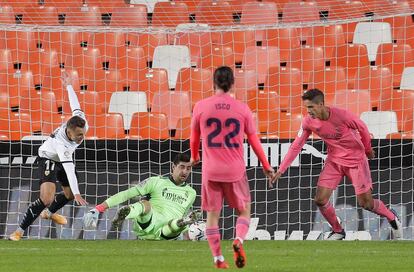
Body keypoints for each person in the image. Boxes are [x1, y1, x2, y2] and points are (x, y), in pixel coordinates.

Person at [274, 88, 402, 240]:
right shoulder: (308, 122)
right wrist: (281, 170)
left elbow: (362, 127)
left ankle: (391, 217)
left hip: (356, 161)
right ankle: (338, 230)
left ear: (321, 104)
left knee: (366, 203)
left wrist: (367, 149)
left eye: (311, 107)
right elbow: (296, 145)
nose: (308, 111)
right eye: (306, 108)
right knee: (320, 200)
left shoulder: (342, 115)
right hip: (334, 161)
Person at [190, 66, 276, 269]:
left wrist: (195, 157)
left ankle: (218, 258)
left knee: (212, 216)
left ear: (213, 83)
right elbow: (254, 140)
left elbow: (194, 137)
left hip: (211, 171)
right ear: (232, 84)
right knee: (244, 211)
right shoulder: (242, 108)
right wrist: (266, 165)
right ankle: (239, 240)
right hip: (235, 170)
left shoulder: (201, 106)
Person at [9, 72, 89, 241]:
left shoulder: (80, 121)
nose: (82, 137)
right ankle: (19, 232)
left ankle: (49, 213)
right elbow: (68, 167)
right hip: (49, 157)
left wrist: (68, 85)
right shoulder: (62, 144)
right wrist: (78, 194)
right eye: (78, 135)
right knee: (46, 198)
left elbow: (75, 104)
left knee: (66, 195)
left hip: (63, 159)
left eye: (82, 133)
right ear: (69, 131)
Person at [83, 153, 200, 241]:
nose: (185, 171)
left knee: (178, 222)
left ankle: (177, 225)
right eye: (181, 167)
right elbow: (127, 194)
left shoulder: (191, 193)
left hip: (167, 232)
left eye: (188, 168)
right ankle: (125, 213)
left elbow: (183, 215)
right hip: (149, 224)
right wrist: (99, 208)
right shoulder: (155, 181)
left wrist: (187, 235)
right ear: (173, 167)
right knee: (145, 204)